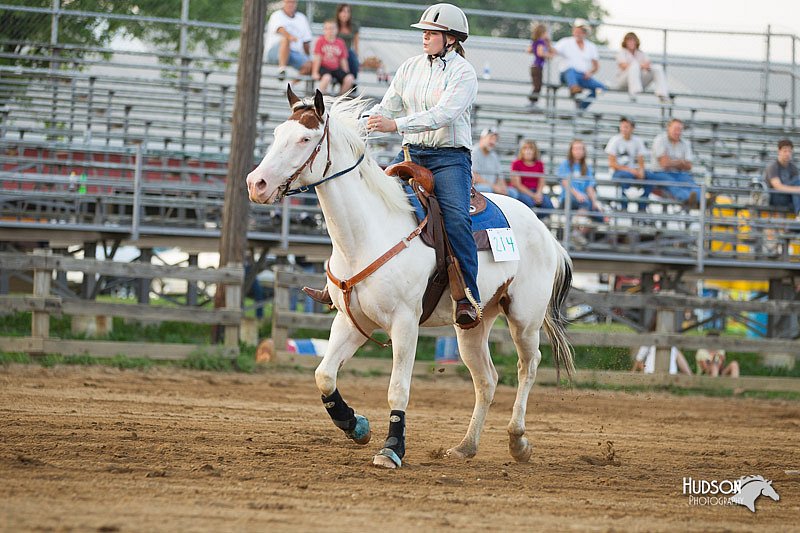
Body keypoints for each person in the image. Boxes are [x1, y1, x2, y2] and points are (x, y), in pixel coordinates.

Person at [364, 3, 481, 327]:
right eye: (425, 32)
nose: (425, 37)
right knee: (370, 202)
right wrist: (359, 123)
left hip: (449, 159)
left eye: (432, 33)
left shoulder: (463, 73)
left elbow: (444, 114)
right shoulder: (409, 67)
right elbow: (386, 106)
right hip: (412, 155)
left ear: (451, 39)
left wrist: (394, 124)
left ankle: (470, 296)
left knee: (456, 217)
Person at [553, 18, 606, 110]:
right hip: (566, 75)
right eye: (576, 30)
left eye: (581, 31)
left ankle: (581, 107)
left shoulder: (591, 46)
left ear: (585, 33)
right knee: (570, 70)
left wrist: (590, 72)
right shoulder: (565, 42)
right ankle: (574, 88)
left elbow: (596, 66)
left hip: (583, 76)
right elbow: (553, 51)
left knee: (600, 88)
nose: (578, 33)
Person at [650, 118, 701, 209]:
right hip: (660, 173)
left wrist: (672, 162)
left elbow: (689, 166)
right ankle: (691, 201)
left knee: (692, 183)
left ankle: (700, 200)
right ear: (668, 128)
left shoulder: (685, 143)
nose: (678, 132)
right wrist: (681, 162)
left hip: (679, 174)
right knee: (672, 183)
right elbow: (664, 164)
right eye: (675, 129)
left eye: (680, 129)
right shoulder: (660, 140)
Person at [605, 116, 651, 213]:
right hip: (619, 172)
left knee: (650, 178)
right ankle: (624, 205)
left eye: (626, 127)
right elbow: (612, 164)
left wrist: (641, 171)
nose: (624, 129)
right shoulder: (615, 140)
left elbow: (641, 160)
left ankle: (642, 206)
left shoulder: (637, 141)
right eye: (622, 127)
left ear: (632, 128)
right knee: (625, 177)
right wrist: (631, 170)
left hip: (633, 172)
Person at [611, 32, 670, 102]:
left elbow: (648, 65)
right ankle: (634, 92)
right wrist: (641, 65)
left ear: (636, 42)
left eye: (633, 41)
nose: (631, 43)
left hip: (640, 81)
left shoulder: (641, 53)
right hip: (624, 82)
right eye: (629, 41)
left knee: (657, 68)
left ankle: (662, 94)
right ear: (625, 42)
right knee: (634, 65)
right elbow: (623, 66)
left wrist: (642, 66)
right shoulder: (621, 52)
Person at [265, 0, 313, 80]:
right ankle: (282, 70)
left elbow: (306, 42)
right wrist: (290, 37)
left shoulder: (302, 18)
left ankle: (290, 87)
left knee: (310, 65)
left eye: (293, 2)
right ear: (283, 2)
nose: (290, 4)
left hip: (294, 53)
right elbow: (280, 29)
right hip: (275, 52)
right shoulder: (277, 15)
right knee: (285, 39)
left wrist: (308, 57)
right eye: (288, 2)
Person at [509, 139, 554, 218]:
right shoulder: (516, 163)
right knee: (529, 203)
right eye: (525, 148)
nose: (528, 151)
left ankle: (538, 221)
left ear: (535, 151)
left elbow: (542, 181)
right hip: (522, 192)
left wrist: (539, 194)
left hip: (536, 191)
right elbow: (517, 185)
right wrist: (533, 196)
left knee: (548, 205)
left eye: (531, 149)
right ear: (522, 151)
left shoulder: (539, 164)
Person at [472, 128, 518, 199]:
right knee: (487, 189)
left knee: (513, 193)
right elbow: (474, 176)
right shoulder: (474, 152)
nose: (492, 142)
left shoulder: (494, 155)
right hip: (476, 186)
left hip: (492, 186)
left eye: (495, 140)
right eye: (490, 138)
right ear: (482, 138)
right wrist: (494, 187)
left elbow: (499, 176)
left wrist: (502, 188)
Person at [312, 20, 355, 95]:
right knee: (327, 77)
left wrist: (346, 72)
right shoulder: (321, 41)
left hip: (335, 68)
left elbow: (343, 59)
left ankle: (339, 98)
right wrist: (315, 72)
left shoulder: (340, 42)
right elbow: (318, 58)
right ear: (324, 30)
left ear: (337, 30)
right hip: (324, 67)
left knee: (349, 78)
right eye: (327, 28)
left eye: (332, 28)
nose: (330, 31)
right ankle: (320, 97)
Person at [764, 139, 800, 214]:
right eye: (785, 151)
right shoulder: (773, 167)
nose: (787, 154)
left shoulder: (793, 168)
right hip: (776, 197)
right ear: (779, 151)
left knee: (797, 181)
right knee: (797, 182)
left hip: (789, 197)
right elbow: (778, 187)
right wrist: (797, 190)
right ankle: (799, 213)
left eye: (790, 151)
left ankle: (798, 212)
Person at [527, 23, 554, 106]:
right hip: (537, 67)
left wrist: (548, 44)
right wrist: (549, 55)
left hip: (535, 67)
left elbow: (529, 50)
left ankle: (533, 102)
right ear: (542, 33)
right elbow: (540, 53)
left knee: (537, 85)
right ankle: (532, 102)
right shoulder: (541, 41)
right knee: (537, 86)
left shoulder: (536, 41)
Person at [335, 4, 360, 81]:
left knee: (353, 58)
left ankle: (353, 85)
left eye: (347, 12)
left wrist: (357, 58)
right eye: (342, 11)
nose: (345, 14)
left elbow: (356, 44)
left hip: (348, 53)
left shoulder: (354, 26)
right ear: (338, 13)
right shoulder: (334, 25)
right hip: (336, 52)